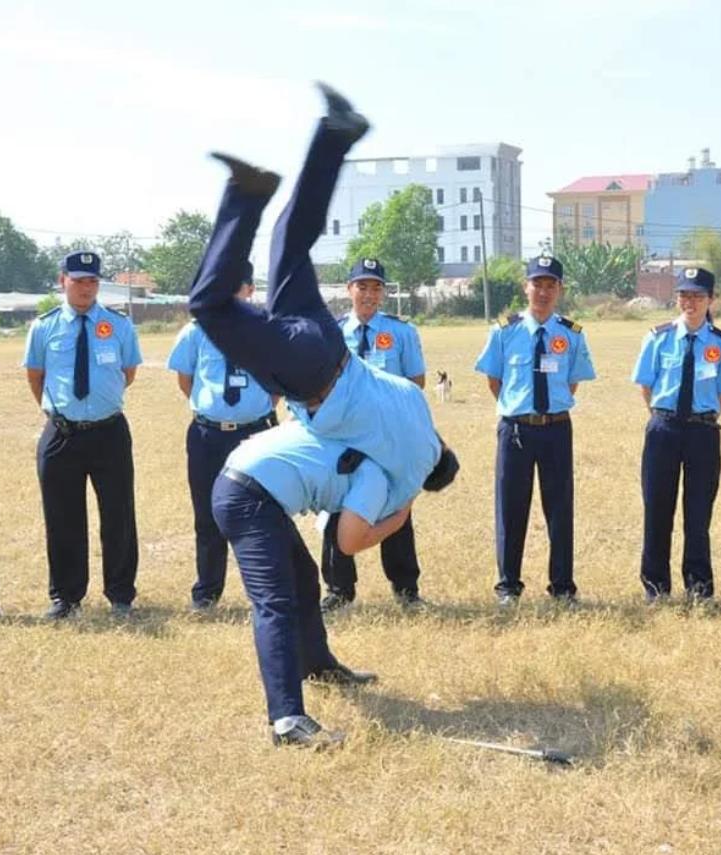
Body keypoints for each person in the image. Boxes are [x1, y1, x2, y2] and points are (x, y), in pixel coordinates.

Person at [186, 82, 452, 508]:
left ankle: (336, 133)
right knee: (207, 306)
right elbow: (356, 521)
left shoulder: (414, 408)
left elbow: (401, 385)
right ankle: (246, 194)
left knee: (288, 240)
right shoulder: (401, 471)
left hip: (326, 337)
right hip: (313, 375)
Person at [214, 419, 451, 749]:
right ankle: (287, 721)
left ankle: (318, 667)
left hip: (250, 486)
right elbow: (348, 543)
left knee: (305, 580)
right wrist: (398, 518)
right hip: (248, 497)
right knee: (275, 604)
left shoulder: (370, 435)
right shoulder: (376, 475)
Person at [23, 251, 143, 619]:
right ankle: (66, 596)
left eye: (92, 281)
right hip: (62, 434)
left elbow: (128, 372)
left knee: (118, 514)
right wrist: (61, 411)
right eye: (78, 280)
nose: (86, 288)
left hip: (109, 432)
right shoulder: (44, 327)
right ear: (63, 281)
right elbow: (36, 376)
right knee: (62, 517)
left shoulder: (119, 325)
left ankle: (121, 594)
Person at [474, 255, 596, 607]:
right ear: (525, 287)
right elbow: (494, 381)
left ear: (560, 290)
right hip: (515, 429)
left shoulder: (570, 334)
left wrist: (546, 412)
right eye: (537, 284)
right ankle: (508, 586)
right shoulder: (504, 332)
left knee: (559, 507)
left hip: (556, 428)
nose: (543, 292)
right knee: (511, 508)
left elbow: (572, 383)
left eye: (550, 285)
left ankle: (562, 587)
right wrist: (521, 410)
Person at [167, 261, 278, 611]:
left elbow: (277, 382)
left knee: (263, 514)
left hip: (255, 434)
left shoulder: (266, 329)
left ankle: (267, 590)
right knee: (207, 515)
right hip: (208, 435)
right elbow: (187, 380)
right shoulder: (196, 331)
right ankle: (207, 593)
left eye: (239, 286)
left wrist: (254, 410)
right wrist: (215, 411)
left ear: (250, 290)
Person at [319, 257, 428, 611]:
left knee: (396, 506)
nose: (368, 294)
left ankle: (406, 589)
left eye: (376, 287)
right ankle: (339, 589)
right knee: (337, 507)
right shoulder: (330, 333)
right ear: (349, 290)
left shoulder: (401, 332)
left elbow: (415, 383)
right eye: (362, 286)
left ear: (384, 293)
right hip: (344, 436)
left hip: (387, 437)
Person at [631, 267, 721, 603]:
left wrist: (701, 417)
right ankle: (656, 587)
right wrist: (664, 417)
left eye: (698, 296)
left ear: (711, 299)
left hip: (703, 432)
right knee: (657, 511)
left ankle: (699, 588)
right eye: (684, 295)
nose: (690, 302)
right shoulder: (658, 337)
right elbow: (646, 386)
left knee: (698, 513)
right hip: (663, 429)